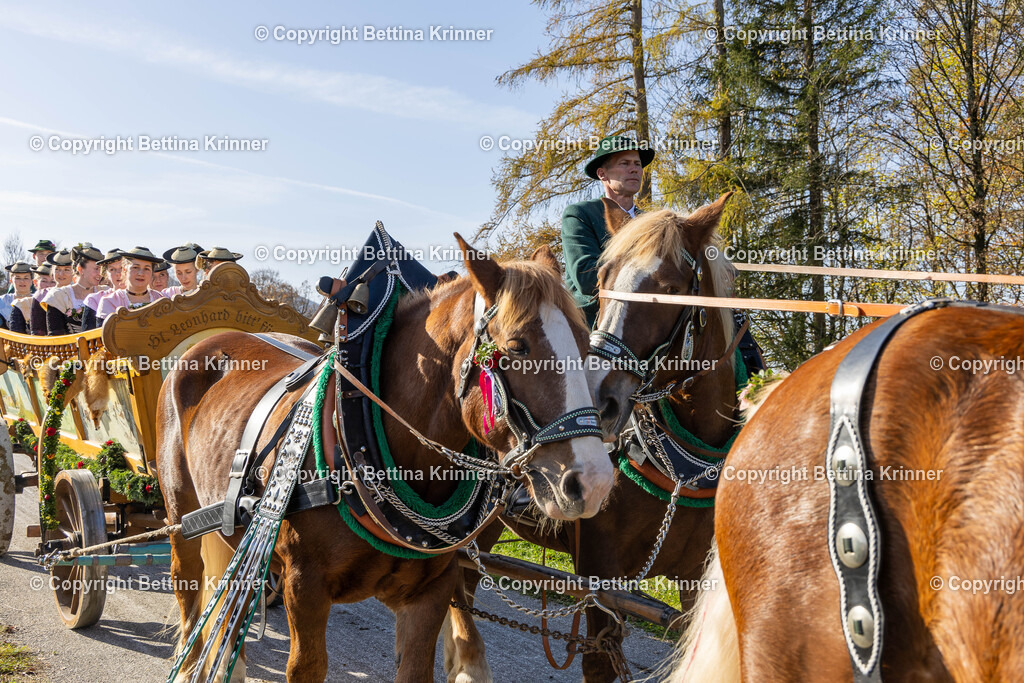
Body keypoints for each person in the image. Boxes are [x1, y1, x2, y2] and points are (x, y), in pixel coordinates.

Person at [562, 135, 655, 328]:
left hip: (649, 325)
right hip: (594, 327)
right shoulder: (580, 214)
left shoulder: (652, 222)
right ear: (602, 174)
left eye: (637, 164)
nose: (634, 169)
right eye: (624, 163)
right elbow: (586, 277)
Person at [43, 243, 106, 335]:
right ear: (80, 269)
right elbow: (55, 335)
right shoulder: (59, 296)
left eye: (102, 269)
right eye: (96, 269)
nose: (100, 274)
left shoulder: (106, 292)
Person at [94, 247, 166, 324]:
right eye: (135, 267)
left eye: (146, 269)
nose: (141, 273)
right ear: (125, 270)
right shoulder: (110, 301)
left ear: (152, 273)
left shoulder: (160, 300)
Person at [31, 249, 75, 334]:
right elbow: (38, 331)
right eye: (57, 269)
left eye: (67, 270)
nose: (61, 274)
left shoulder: (80, 293)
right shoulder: (42, 295)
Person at [9, 263, 54, 334]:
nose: (48, 285)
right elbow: (16, 334)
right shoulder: (21, 305)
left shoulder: (64, 302)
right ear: (35, 282)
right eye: (44, 281)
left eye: (53, 282)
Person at [0, 262, 34, 329]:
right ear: (11, 281)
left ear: (32, 281)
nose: (22, 281)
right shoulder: (2, 301)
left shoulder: (38, 300)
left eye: (26, 278)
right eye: (18, 278)